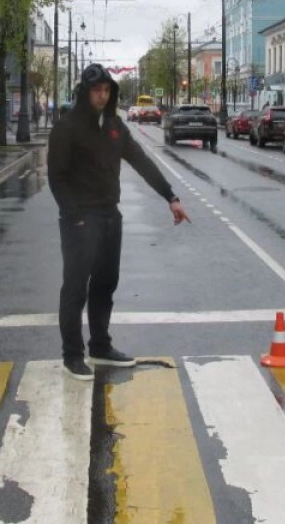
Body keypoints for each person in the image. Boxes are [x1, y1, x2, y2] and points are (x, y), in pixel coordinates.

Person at [48, 64, 190, 381]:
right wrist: (74, 217)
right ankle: (72, 355)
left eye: (106, 90)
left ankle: (100, 346)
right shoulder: (67, 127)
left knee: (105, 284)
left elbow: (140, 160)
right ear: (85, 92)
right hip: (80, 220)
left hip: (111, 217)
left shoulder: (114, 125)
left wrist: (170, 196)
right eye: (96, 90)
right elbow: (57, 178)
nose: (102, 95)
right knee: (75, 289)